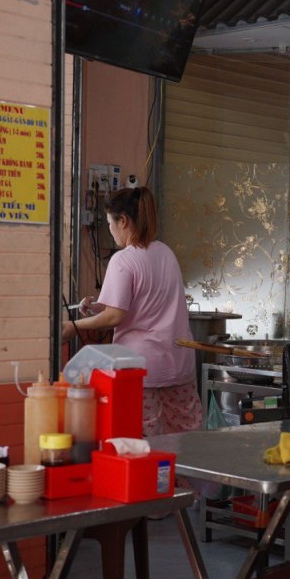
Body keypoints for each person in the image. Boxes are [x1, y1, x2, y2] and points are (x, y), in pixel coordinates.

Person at [62, 186, 202, 437]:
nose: (110, 230)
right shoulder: (166, 253)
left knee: (143, 445)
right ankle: (183, 479)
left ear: (123, 221)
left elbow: (116, 316)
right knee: (185, 441)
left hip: (142, 369)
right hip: (180, 365)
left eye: (109, 223)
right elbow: (144, 302)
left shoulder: (123, 259)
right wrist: (96, 308)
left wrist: (73, 327)